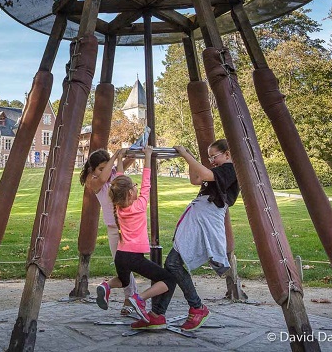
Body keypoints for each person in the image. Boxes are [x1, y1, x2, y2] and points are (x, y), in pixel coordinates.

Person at [150, 139, 240, 331]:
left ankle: (196, 307)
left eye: (214, 156)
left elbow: (205, 174)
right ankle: (158, 313)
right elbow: (195, 179)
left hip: (206, 220)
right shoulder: (219, 171)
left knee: (172, 264)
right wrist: (189, 158)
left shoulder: (231, 169)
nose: (212, 161)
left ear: (227, 154)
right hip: (198, 219)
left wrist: (186, 155)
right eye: (210, 158)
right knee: (172, 265)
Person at [94, 146, 177, 330]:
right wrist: (148, 156)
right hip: (134, 257)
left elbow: (119, 181)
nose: (137, 187)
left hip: (121, 257)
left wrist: (120, 160)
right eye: (134, 186)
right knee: (169, 280)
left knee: (124, 281)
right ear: (131, 193)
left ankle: (107, 286)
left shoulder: (117, 207)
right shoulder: (139, 206)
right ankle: (139, 298)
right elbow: (146, 181)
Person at [80, 147, 139, 315]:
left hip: (128, 224)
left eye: (107, 167)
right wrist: (114, 157)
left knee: (130, 264)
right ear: (92, 169)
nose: (105, 171)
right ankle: (130, 298)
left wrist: (129, 154)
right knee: (122, 266)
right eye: (101, 168)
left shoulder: (112, 173)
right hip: (114, 228)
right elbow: (104, 176)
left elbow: (125, 164)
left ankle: (130, 299)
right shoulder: (94, 180)